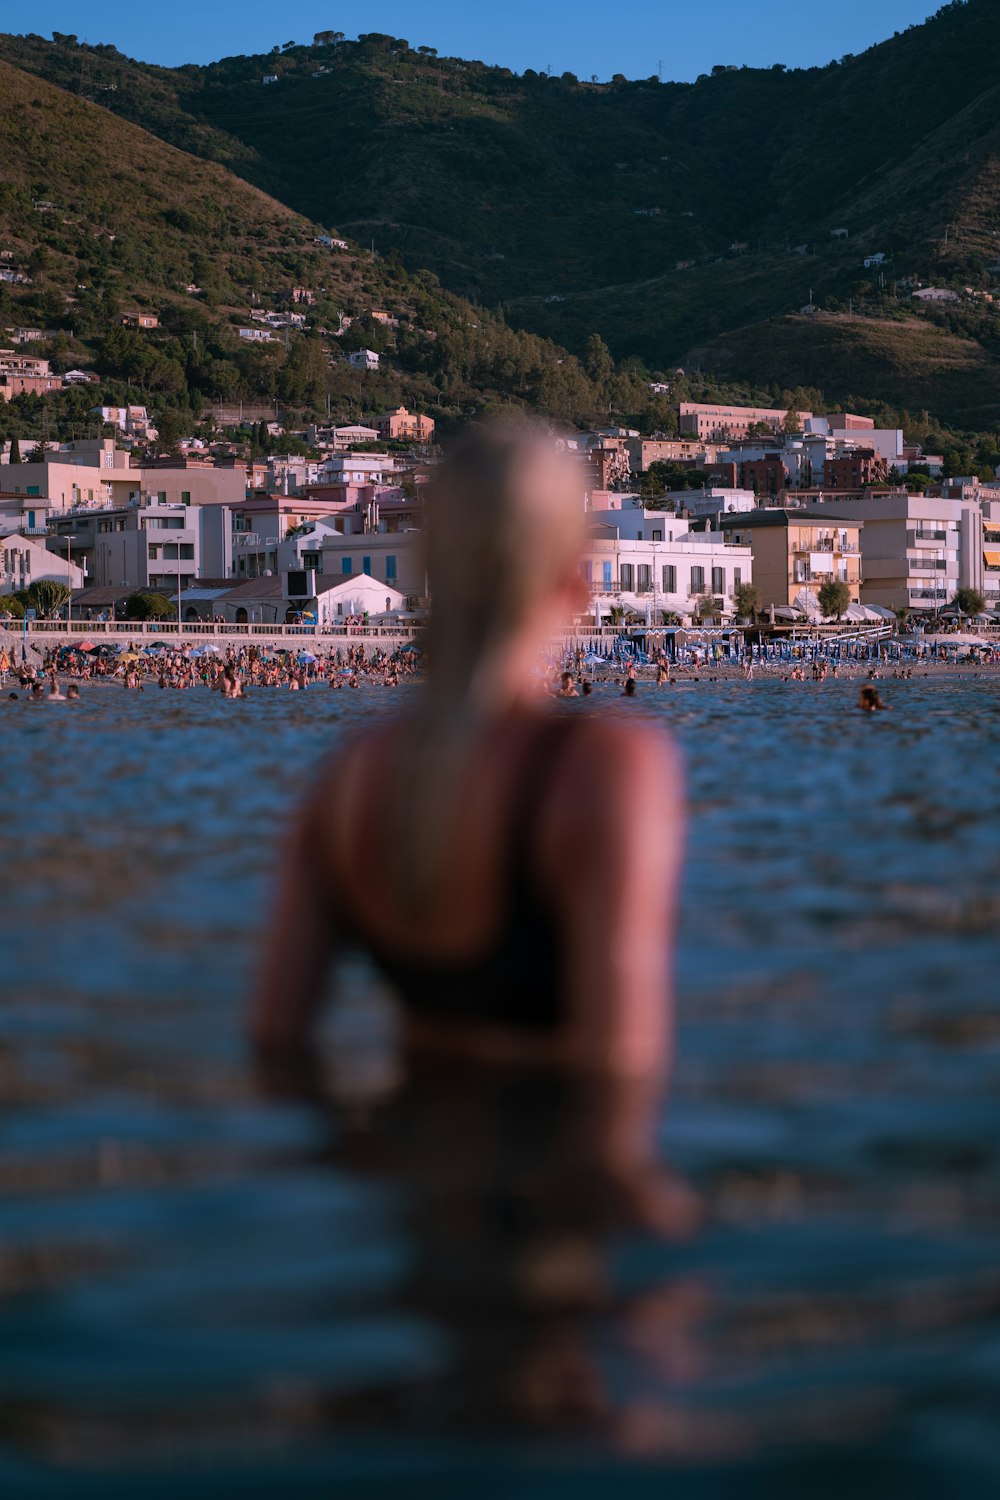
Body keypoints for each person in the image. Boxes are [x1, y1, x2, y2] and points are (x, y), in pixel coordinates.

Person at [252, 422, 684, 1080]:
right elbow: (618, 1075)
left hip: (403, 1167)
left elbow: (276, 1047)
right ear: (575, 581)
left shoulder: (355, 770)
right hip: (544, 1165)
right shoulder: (604, 767)